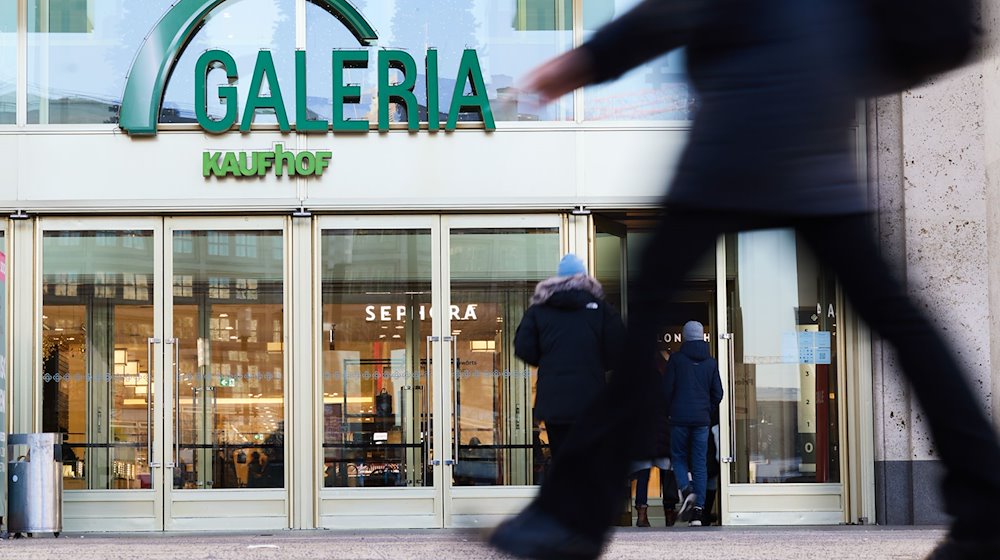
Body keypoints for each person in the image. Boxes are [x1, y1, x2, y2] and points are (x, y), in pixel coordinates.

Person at [489, 1, 1000, 559]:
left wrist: (579, 63)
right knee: (899, 319)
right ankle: (987, 504)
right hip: (817, 98)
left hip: (749, 109)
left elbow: (676, 10)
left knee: (646, 319)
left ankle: (569, 518)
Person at [514, 254, 625, 458]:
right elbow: (619, 349)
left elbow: (523, 347)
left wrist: (547, 361)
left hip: (554, 401)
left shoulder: (539, 310)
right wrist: (597, 364)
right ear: (585, 279)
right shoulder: (601, 310)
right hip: (591, 399)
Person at [663, 321, 722, 527]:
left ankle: (687, 491)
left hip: (678, 418)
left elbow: (666, 390)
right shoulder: (711, 363)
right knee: (700, 463)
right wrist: (707, 410)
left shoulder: (676, 360)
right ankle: (698, 513)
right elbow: (719, 393)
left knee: (678, 457)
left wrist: (669, 411)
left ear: (685, 337)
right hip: (701, 421)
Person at [627, 344, 679, 527]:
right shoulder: (660, 379)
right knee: (667, 473)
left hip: (642, 434)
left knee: (643, 474)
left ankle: (642, 514)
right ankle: (670, 512)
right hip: (661, 430)